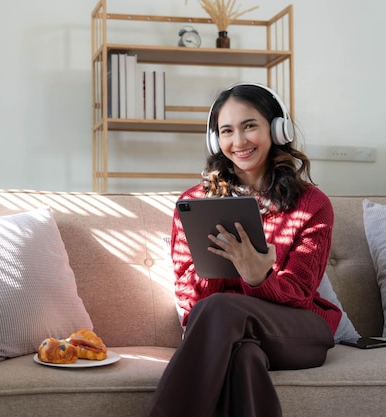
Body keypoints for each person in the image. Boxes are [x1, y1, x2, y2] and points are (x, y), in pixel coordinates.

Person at [147, 83, 342, 417]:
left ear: (277, 129)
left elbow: (300, 293)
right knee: (244, 357)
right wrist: (215, 266)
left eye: (250, 125)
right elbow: (192, 301)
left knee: (222, 309)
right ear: (215, 140)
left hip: (299, 331)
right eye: (226, 131)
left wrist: (259, 278)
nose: (238, 142)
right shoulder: (195, 202)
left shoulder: (313, 205)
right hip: (226, 330)